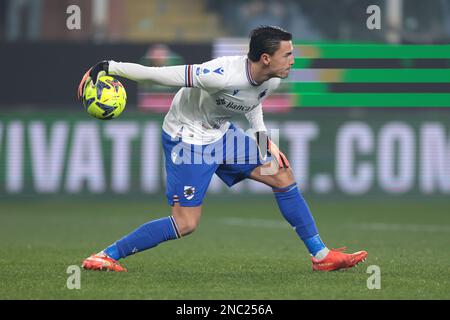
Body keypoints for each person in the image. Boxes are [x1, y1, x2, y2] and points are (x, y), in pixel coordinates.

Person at [77, 26, 367, 272]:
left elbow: (253, 107)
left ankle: (320, 256)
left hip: (221, 134)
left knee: (281, 174)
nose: (293, 60)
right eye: (288, 54)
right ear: (266, 58)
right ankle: (106, 255)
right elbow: (161, 76)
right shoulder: (219, 74)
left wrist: (266, 144)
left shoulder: (274, 79)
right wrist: (109, 67)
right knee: (186, 223)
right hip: (187, 138)